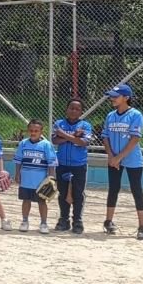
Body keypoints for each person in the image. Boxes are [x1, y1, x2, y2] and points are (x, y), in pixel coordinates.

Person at [102, 84, 143, 240]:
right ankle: (108, 221)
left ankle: (142, 227)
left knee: (136, 190)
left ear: (126, 98)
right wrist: (111, 156)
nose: (112, 99)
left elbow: (134, 139)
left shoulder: (135, 115)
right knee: (113, 189)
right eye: (112, 96)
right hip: (114, 158)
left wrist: (119, 157)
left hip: (132, 159)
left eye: (116, 96)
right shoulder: (110, 116)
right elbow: (105, 136)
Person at [52, 99, 93, 234]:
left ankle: (77, 221)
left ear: (81, 112)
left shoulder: (85, 125)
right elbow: (54, 140)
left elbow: (83, 142)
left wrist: (64, 135)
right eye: (71, 108)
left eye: (77, 109)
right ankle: (64, 219)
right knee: (62, 192)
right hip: (62, 164)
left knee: (78, 193)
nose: (73, 111)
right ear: (66, 109)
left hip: (79, 165)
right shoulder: (59, 123)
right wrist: (73, 136)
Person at [13, 119, 57, 234]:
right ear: (28, 131)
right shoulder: (23, 144)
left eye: (36, 131)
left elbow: (51, 163)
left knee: (42, 202)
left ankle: (43, 223)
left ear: (41, 131)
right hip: (26, 179)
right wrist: (17, 174)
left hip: (40, 181)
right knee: (26, 201)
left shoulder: (46, 145)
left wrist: (51, 179)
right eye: (31, 130)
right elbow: (18, 160)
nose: (33, 133)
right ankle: (25, 221)